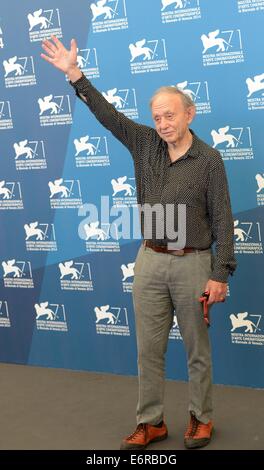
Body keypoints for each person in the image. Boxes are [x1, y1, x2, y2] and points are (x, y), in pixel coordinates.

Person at [41, 36, 237, 450]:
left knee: (196, 350)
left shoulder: (209, 160)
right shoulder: (145, 143)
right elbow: (108, 116)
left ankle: (201, 418)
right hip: (149, 261)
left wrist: (221, 273)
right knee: (148, 350)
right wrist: (75, 75)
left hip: (193, 263)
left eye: (170, 115)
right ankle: (151, 422)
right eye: (157, 117)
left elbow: (222, 218)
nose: (163, 123)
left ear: (189, 114)